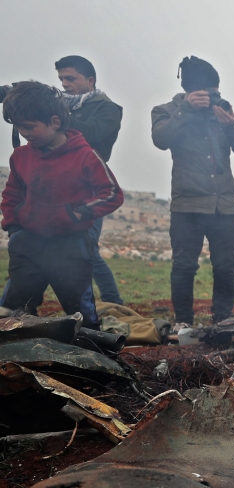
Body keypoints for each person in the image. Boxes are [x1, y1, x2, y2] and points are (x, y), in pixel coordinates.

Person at [0, 81, 123, 327]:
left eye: (29, 127)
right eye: (19, 127)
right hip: (28, 242)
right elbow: (12, 193)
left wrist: (77, 213)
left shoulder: (85, 155)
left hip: (71, 245)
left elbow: (111, 193)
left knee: (79, 308)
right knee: (16, 307)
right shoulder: (21, 156)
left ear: (55, 122)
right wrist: (14, 229)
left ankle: (92, 350)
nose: (24, 133)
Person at [151, 56, 234, 326]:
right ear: (191, 91)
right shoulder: (167, 110)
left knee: (226, 269)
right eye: (208, 93)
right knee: (184, 267)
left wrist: (231, 125)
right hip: (188, 205)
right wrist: (185, 109)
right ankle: (184, 322)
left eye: (215, 92)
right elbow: (160, 140)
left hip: (225, 204)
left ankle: (223, 322)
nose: (212, 98)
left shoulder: (221, 112)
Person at [55, 55, 125, 305]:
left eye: (70, 78)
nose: (64, 84)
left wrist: (55, 114)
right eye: (61, 78)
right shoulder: (64, 105)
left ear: (90, 80)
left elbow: (93, 134)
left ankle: (110, 303)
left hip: (90, 187)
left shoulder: (108, 108)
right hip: (60, 184)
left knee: (87, 250)